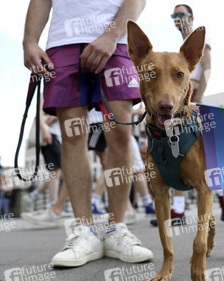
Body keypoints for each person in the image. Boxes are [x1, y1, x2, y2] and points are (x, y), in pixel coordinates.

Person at [23, 0, 153, 267]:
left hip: (115, 41)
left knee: (120, 131)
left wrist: (111, 34)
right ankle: (84, 231)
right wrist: (30, 41)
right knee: (72, 136)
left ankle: (117, 228)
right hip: (63, 41)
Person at [151, 4, 213, 226]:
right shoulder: (177, 50)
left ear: (191, 17)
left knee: (199, 153)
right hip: (176, 99)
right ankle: (177, 210)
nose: (178, 18)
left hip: (192, 98)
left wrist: (198, 98)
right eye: (174, 15)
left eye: (182, 15)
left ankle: (220, 198)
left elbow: (205, 71)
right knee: (175, 149)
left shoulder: (201, 44)